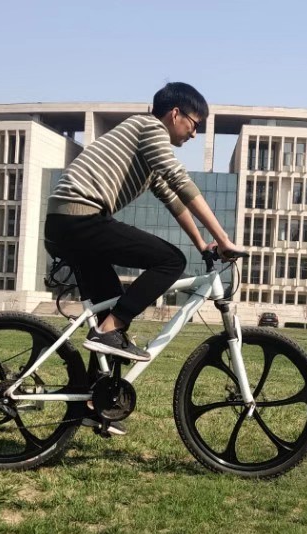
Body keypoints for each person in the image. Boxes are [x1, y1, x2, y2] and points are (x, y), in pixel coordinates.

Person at [45, 82, 243, 434]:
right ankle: (109, 332)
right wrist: (224, 238)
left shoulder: (147, 152)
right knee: (170, 261)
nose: (194, 134)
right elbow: (179, 180)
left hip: (71, 222)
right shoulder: (148, 127)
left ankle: (91, 405)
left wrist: (203, 245)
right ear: (175, 114)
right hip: (80, 217)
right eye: (194, 124)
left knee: (111, 310)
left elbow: (174, 200)